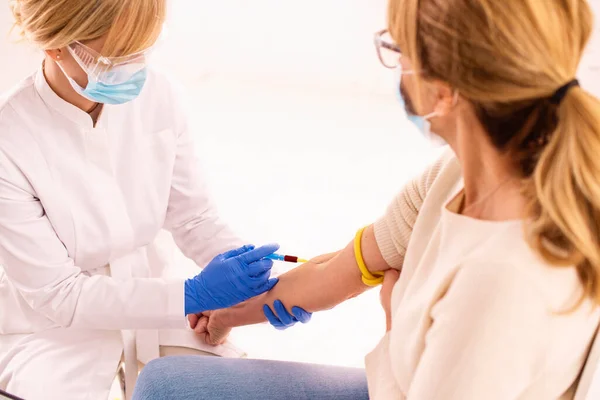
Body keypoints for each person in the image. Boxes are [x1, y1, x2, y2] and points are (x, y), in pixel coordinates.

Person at [133, 0, 600, 399]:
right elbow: (347, 267)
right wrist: (231, 311)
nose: (396, 67)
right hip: (407, 380)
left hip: (410, 386)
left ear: (445, 89)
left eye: (398, 50)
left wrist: (395, 321)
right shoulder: (455, 175)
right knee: (168, 382)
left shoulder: (502, 278)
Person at [0, 1, 282, 399]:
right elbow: (59, 294)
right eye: (115, 57)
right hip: (52, 331)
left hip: (153, 304)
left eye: (142, 50)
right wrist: (191, 293)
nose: (133, 69)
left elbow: (193, 217)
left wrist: (250, 277)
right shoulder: (9, 138)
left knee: (223, 386)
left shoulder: (161, 96)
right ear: (55, 47)